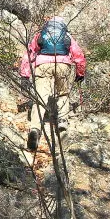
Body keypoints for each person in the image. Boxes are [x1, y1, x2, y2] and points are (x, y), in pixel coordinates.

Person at [19, 15, 86, 150]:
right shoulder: (67, 36)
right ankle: (62, 123)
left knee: (40, 97)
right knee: (63, 94)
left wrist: (25, 75)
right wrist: (80, 73)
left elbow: (29, 53)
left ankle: (35, 128)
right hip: (63, 65)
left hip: (42, 65)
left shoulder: (40, 35)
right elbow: (78, 55)